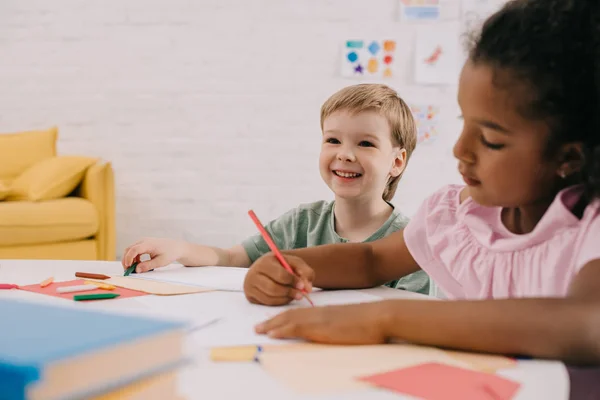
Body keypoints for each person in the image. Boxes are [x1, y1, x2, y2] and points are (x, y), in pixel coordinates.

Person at [244, 0, 600, 370]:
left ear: (569, 158)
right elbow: (371, 259)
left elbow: (587, 324)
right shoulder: (458, 218)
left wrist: (384, 319)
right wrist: (284, 264)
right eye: (465, 123)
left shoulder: (589, 229)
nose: (460, 149)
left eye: (491, 139)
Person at [121, 84, 430, 295]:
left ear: (397, 161)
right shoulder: (301, 222)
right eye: (333, 140)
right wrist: (180, 249)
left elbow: (414, 321)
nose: (345, 154)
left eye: (365, 143)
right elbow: (232, 258)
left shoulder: (411, 245)